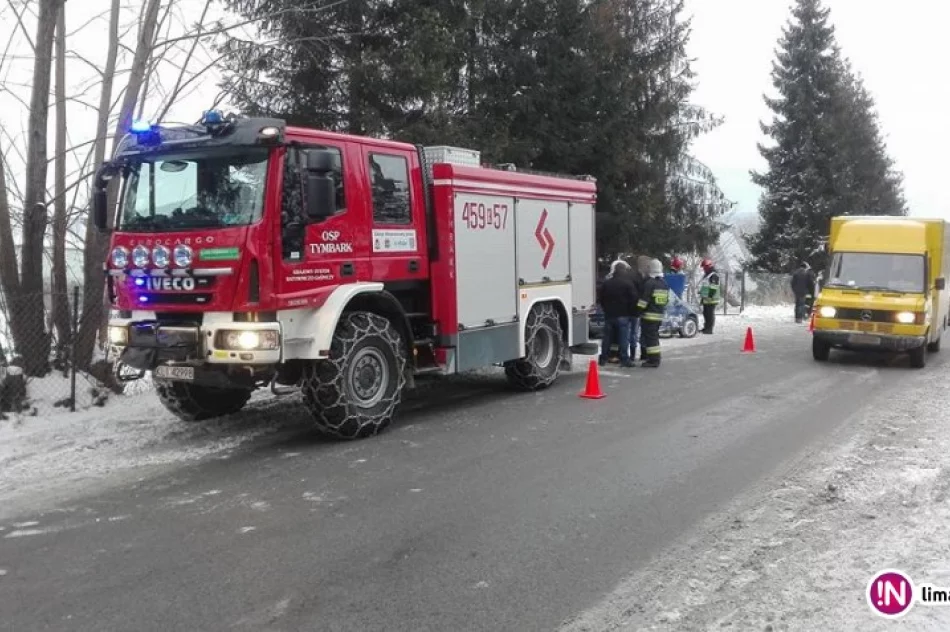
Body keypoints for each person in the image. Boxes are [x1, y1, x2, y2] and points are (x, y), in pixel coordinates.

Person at [597, 259, 638, 368]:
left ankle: (603, 358)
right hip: (623, 315)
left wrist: (606, 309)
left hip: (609, 315)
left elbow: (601, 299)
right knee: (623, 338)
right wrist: (631, 312)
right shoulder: (628, 283)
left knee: (606, 338)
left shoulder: (607, 283)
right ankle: (624, 359)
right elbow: (633, 299)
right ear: (624, 271)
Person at [636, 259, 669, 367]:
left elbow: (644, 301)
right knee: (653, 338)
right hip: (659, 315)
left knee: (651, 339)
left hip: (649, 316)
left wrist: (637, 311)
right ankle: (653, 358)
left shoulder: (650, 283)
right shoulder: (663, 284)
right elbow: (666, 300)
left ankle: (653, 360)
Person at [698, 258, 720, 334]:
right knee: (705, 313)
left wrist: (709, 296)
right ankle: (706, 327)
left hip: (711, 299)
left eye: (705, 267)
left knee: (709, 314)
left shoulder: (713, 275)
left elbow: (713, 287)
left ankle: (709, 329)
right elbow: (706, 286)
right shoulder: (707, 275)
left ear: (709, 266)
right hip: (706, 299)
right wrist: (701, 292)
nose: (704, 269)